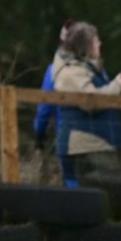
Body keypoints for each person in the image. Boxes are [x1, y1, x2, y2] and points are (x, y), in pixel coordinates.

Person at [51, 23, 121, 184]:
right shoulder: (71, 72)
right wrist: (117, 85)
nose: (100, 44)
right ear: (85, 46)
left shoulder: (82, 69)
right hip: (87, 146)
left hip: (95, 143)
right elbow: (91, 101)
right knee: (105, 194)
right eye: (96, 41)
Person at [30, 19, 72, 183]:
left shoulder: (55, 70)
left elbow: (45, 107)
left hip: (68, 137)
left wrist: (39, 133)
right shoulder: (96, 67)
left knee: (73, 182)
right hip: (102, 138)